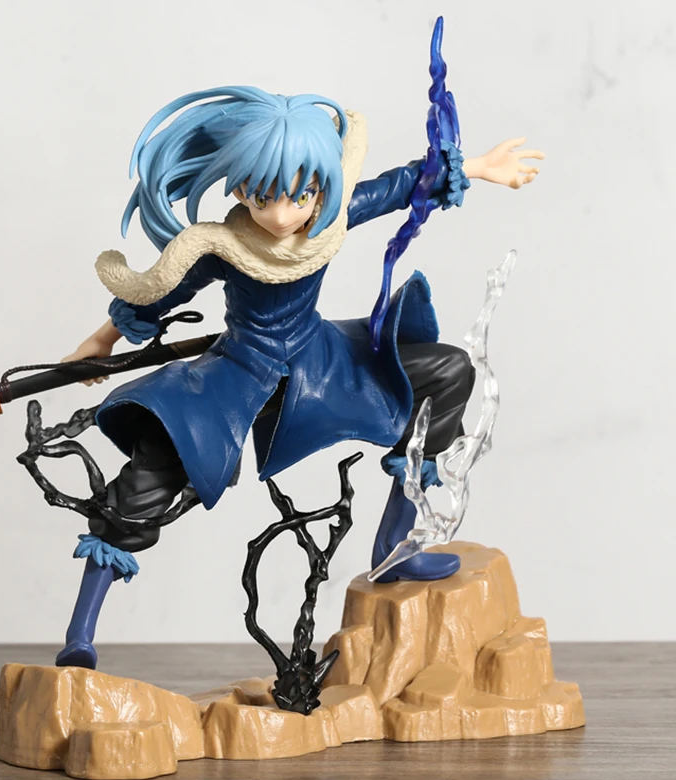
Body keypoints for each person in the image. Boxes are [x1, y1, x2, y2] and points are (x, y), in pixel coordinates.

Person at [55, 86, 543, 669]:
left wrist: (480, 167)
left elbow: (402, 185)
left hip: (322, 364)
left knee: (448, 372)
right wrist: (103, 340)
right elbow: (160, 293)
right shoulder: (222, 247)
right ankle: (80, 634)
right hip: (238, 375)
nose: (283, 215)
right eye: (264, 197)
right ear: (240, 189)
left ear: (319, 187)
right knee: (150, 472)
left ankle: (395, 544)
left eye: (301, 195)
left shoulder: (330, 221)